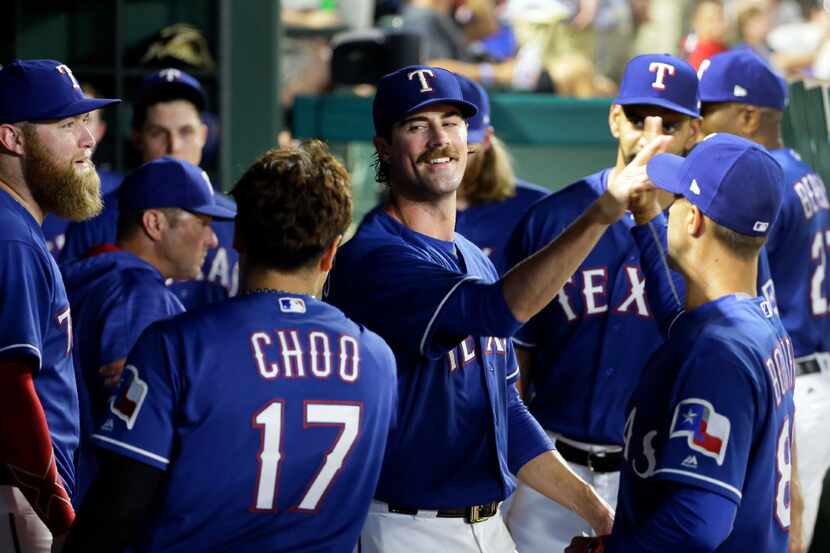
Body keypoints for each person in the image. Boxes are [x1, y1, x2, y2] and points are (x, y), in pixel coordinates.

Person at [325, 64, 667, 552]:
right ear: (383, 147)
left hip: (486, 527)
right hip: (404, 526)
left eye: (451, 122)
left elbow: (505, 411)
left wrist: (599, 513)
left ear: (471, 137)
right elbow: (495, 311)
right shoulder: (376, 257)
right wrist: (602, 213)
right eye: (417, 126)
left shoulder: (470, 258)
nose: (439, 139)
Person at [63, 140, 398, 553]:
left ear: (237, 236)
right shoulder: (379, 360)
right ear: (331, 253)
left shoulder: (177, 345)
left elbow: (117, 508)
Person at [503, 53, 701, 553]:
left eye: (669, 123)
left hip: (650, 475)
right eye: (637, 118)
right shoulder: (552, 218)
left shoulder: (703, 235)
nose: (649, 135)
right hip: (551, 470)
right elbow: (516, 359)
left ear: (694, 132)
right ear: (615, 119)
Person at [571, 133, 795, 552]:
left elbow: (697, 521)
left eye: (674, 201)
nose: (667, 206)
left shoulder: (719, 352)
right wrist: (646, 220)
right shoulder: (757, 323)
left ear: (694, 219)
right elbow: (681, 318)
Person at [698, 47, 830, 551]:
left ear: (748, 115)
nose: (699, 123)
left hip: (789, 381)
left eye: (709, 111)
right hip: (804, 374)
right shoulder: (800, 171)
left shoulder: (760, 180)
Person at [61, 156, 234, 505]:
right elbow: (132, 429)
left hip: (75, 496)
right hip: (103, 504)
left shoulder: (103, 277)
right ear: (154, 223)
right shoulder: (137, 294)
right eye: (202, 222)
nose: (213, 239)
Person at [0, 59, 119, 551]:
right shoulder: (12, 238)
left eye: (85, 121)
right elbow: (8, 387)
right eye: (66, 124)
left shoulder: (17, 227)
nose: (87, 138)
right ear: (13, 139)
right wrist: (60, 513)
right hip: (19, 497)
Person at [59, 67, 239, 309]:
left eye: (186, 132)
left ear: (203, 135)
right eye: (158, 133)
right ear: (137, 137)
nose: (174, 146)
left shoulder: (233, 220)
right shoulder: (94, 218)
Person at [454, 75, 549, 274]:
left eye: (466, 143)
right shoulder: (393, 219)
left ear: (487, 139)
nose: (451, 153)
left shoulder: (535, 209)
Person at [42, 83, 122, 256]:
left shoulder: (120, 190)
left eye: (87, 119)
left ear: (100, 131)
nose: (83, 134)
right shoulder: (31, 190)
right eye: (69, 122)